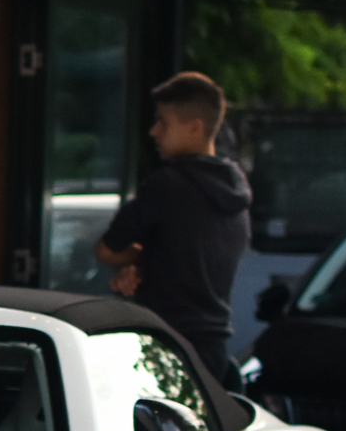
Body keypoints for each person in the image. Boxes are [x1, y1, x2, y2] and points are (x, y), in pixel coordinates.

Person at [94, 71, 251, 386]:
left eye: (163, 122)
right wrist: (147, 261)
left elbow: (107, 248)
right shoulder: (235, 190)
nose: (154, 131)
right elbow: (191, 252)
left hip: (166, 346)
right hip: (215, 349)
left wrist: (136, 258)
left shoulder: (167, 186)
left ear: (194, 127)